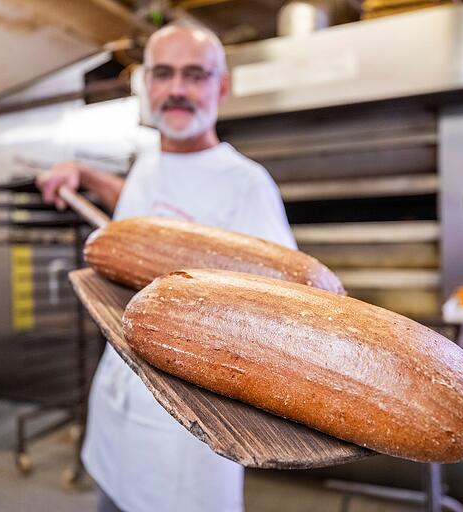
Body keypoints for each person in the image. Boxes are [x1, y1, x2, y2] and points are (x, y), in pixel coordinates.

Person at [36, 21, 296, 512]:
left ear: (222, 86)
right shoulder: (148, 161)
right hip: (116, 411)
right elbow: (143, 211)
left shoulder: (246, 185)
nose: (177, 89)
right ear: (146, 85)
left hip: (184, 436)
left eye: (195, 75)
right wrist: (84, 172)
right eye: (164, 73)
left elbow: (282, 308)